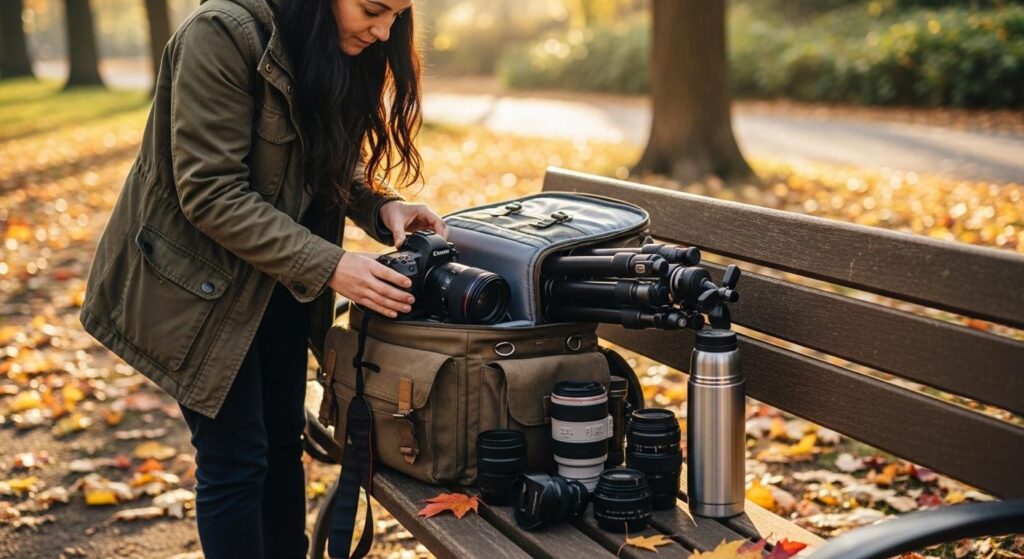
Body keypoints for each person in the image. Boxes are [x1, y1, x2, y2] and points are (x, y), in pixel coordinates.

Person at [78, 0, 444, 557]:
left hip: (279, 283)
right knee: (236, 459)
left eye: (398, 14)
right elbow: (211, 192)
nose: (384, 30)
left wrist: (382, 206)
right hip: (198, 288)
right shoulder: (221, 34)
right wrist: (331, 265)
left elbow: (322, 156)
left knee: (280, 445)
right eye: (373, 9)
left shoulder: (331, 42)